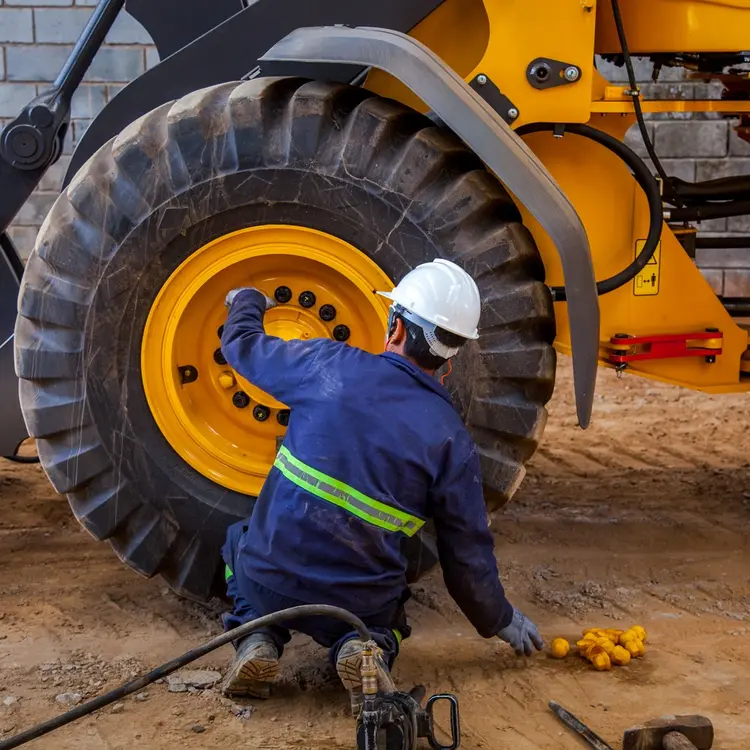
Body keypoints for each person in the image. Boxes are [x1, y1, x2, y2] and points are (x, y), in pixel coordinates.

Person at [219, 258, 543, 712]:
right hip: (358, 600)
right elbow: (466, 555)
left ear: (395, 326)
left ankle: (257, 636)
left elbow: (243, 345)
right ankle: (362, 646)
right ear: (451, 354)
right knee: (386, 619)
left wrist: (248, 301)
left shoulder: (326, 362)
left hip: (272, 581)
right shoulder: (451, 438)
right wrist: (500, 619)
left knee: (239, 543)